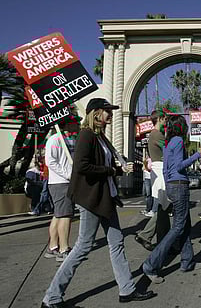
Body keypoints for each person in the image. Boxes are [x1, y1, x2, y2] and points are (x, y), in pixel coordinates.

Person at [41, 98, 156, 308]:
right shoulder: (86, 135)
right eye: (107, 111)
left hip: (106, 197)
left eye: (111, 111)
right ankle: (52, 297)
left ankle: (126, 289)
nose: (110, 114)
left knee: (117, 242)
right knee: (83, 247)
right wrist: (112, 170)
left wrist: (119, 168)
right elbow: (82, 166)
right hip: (91, 199)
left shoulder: (100, 137)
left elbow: (103, 164)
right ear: (95, 113)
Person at [142, 114, 201, 283]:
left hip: (171, 184)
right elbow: (178, 165)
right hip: (179, 185)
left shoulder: (169, 143)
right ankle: (151, 264)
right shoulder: (178, 141)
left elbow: (166, 168)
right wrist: (196, 155)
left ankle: (187, 260)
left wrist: (168, 184)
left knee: (184, 225)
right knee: (178, 227)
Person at [43, 116, 80, 262]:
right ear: (68, 124)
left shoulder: (70, 139)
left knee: (58, 215)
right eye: (75, 122)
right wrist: (67, 174)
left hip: (65, 182)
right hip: (60, 183)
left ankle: (52, 247)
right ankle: (64, 249)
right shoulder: (55, 139)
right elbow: (50, 161)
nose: (78, 124)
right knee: (65, 215)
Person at [135, 110, 170, 251]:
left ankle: (166, 240)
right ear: (160, 119)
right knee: (165, 205)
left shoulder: (154, 134)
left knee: (164, 206)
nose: (166, 122)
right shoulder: (157, 134)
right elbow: (168, 149)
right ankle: (145, 234)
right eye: (165, 119)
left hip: (159, 169)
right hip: (160, 170)